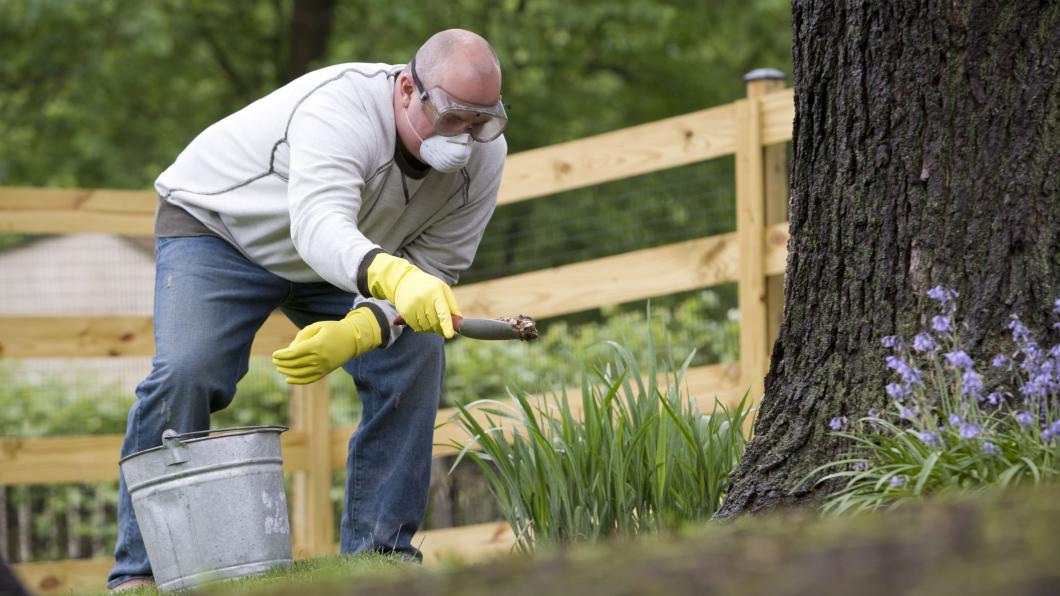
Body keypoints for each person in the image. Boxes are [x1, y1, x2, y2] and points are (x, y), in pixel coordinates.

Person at [107, 29, 508, 591]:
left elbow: (436, 269)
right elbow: (317, 223)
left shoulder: (484, 162)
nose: (464, 138)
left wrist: (371, 323)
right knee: (188, 371)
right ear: (405, 89)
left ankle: (378, 560)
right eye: (451, 116)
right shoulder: (341, 107)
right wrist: (391, 276)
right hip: (222, 228)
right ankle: (139, 574)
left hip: (344, 259)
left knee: (415, 350)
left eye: (480, 121)